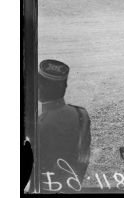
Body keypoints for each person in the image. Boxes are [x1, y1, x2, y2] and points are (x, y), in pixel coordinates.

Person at [37, 59, 90, 189]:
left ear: (40, 88)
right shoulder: (81, 114)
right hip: (73, 184)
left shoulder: (40, 124)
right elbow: (84, 156)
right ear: (65, 86)